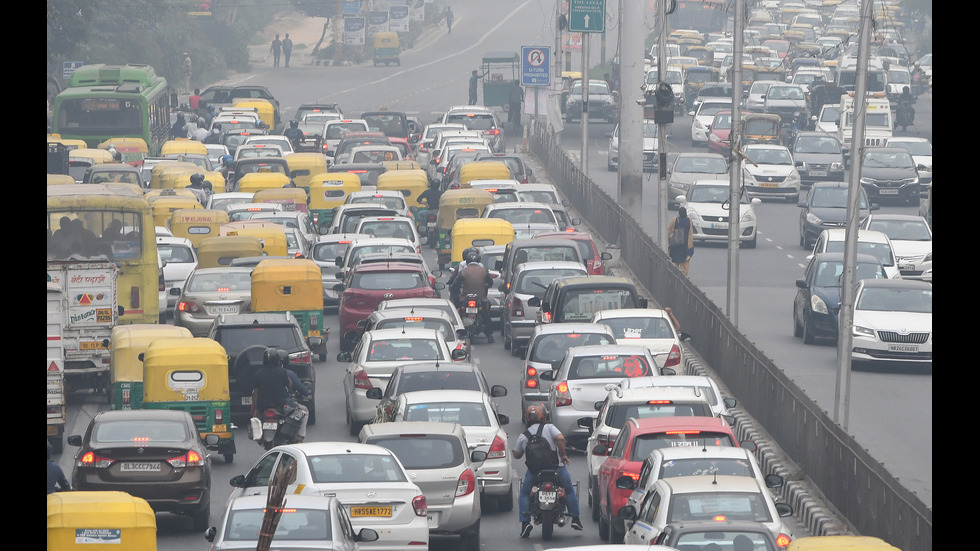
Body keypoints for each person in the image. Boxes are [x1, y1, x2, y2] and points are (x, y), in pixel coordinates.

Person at [513, 404, 583, 537]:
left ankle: (525, 523)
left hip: (535, 472)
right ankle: (575, 519)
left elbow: (517, 455)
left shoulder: (524, 435)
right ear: (543, 417)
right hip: (556, 469)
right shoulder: (550, 428)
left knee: (524, 494)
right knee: (568, 490)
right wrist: (563, 455)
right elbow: (561, 439)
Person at [251, 347, 307, 444]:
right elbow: (289, 385)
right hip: (280, 405)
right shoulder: (282, 372)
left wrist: (256, 409)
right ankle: (298, 437)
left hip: (263, 406)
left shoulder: (258, 374)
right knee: (303, 411)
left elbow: (255, 394)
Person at [450, 249, 495, 342]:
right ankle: (490, 335)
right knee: (486, 314)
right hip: (480, 298)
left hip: (465, 298)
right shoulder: (483, 270)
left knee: (457, 311)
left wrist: (457, 292)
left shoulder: (463, 271)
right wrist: (486, 286)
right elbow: (490, 282)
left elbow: (455, 284)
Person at [280, 350, 311, 443]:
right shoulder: (288, 374)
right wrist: (306, 393)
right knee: (304, 411)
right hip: (285, 404)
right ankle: (299, 437)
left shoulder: (264, 373)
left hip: (268, 404)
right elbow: (302, 389)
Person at [667, 207, 694, 275]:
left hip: (675, 246)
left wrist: (671, 240)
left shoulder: (674, 220)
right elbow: (690, 234)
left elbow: (669, 231)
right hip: (685, 248)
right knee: (684, 267)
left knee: (674, 264)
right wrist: (690, 248)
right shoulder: (689, 221)